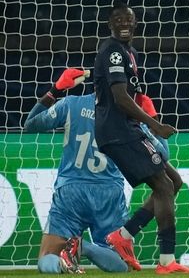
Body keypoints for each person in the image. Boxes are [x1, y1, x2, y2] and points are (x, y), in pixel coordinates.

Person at [93, 2, 189, 274]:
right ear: (110, 24)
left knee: (174, 181)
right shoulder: (113, 52)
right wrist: (155, 125)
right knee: (164, 186)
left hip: (128, 128)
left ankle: (124, 236)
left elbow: (131, 95)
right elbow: (120, 97)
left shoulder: (129, 52)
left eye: (128, 19)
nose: (124, 24)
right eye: (118, 19)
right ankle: (166, 262)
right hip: (118, 131)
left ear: (136, 23)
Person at [23, 68, 129, 274]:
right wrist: (151, 117)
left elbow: (30, 125)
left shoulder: (71, 104)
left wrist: (55, 90)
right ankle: (84, 247)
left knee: (46, 259)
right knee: (120, 264)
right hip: (109, 193)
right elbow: (162, 153)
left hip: (71, 190)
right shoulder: (127, 112)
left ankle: (63, 261)